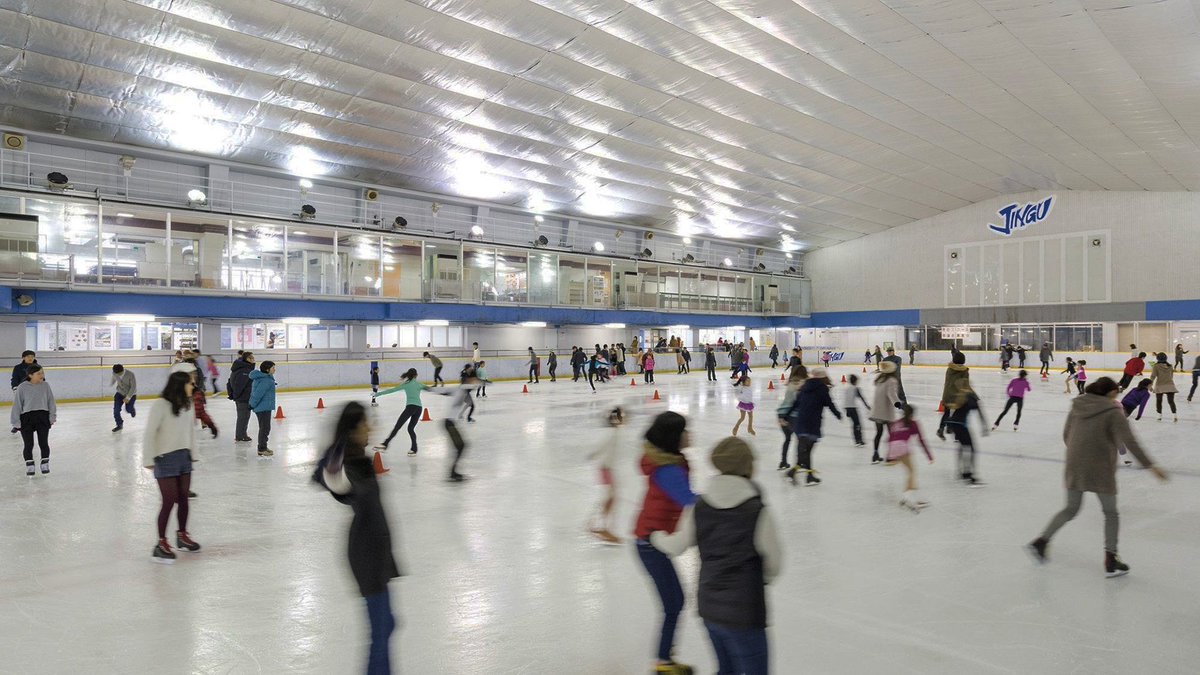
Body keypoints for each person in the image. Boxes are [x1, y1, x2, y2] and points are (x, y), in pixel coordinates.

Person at [651, 437, 781, 675]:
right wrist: (757, 581)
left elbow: (677, 545)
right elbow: (774, 564)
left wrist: (656, 537)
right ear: (748, 466)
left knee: (726, 670)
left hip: (710, 608)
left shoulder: (699, 507)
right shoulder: (757, 512)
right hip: (745, 612)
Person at [1028, 377, 1168, 578]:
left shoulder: (1077, 405)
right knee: (1110, 513)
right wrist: (1150, 466)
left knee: (1070, 509)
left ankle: (1041, 542)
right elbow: (1130, 441)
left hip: (1075, 465)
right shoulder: (1114, 411)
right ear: (1111, 393)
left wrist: (1079, 453)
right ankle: (1111, 557)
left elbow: (1067, 435)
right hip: (1101, 467)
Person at [314, 402, 402, 674]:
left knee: (386, 623)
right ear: (352, 429)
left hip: (377, 549)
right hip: (366, 554)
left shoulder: (361, 460)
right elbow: (333, 481)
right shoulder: (347, 466)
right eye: (365, 424)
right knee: (381, 628)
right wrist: (335, 451)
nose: (371, 428)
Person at [633, 411, 696, 674]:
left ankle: (664, 659)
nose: (689, 435)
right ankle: (663, 663)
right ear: (674, 437)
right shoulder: (668, 470)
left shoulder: (669, 462)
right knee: (674, 603)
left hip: (652, 539)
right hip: (651, 543)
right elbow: (690, 501)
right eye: (684, 431)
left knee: (675, 602)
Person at [142, 371, 201, 563]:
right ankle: (160, 543)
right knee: (169, 500)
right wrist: (148, 459)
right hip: (164, 458)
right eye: (190, 384)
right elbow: (149, 433)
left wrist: (193, 454)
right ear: (180, 385)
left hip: (184, 457)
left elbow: (190, 431)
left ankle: (182, 535)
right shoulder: (160, 405)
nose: (193, 387)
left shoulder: (188, 404)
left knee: (183, 498)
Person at [784, 367, 842, 486]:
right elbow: (829, 404)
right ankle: (806, 475)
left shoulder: (804, 387)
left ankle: (798, 472)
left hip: (801, 423)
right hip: (812, 424)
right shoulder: (822, 388)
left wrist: (786, 415)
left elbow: (796, 403)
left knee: (806, 451)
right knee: (808, 451)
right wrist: (838, 414)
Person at [376, 368, 438, 455]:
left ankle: (385, 444)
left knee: (398, 426)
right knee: (410, 429)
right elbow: (432, 390)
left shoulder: (406, 384)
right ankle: (414, 449)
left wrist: (378, 394)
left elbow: (392, 390)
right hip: (419, 408)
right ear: (416, 375)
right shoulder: (419, 384)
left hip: (410, 407)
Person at [587, 407, 625, 544]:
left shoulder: (613, 432)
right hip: (605, 468)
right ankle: (600, 525)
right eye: (622, 417)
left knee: (612, 497)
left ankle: (600, 525)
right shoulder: (611, 433)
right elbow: (600, 447)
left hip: (607, 468)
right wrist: (595, 455)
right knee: (611, 498)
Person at [886, 404, 933, 511]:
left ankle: (913, 496)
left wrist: (889, 456)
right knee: (911, 471)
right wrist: (929, 456)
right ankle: (908, 498)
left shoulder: (896, 423)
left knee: (911, 471)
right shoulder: (913, 423)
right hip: (903, 448)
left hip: (893, 449)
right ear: (913, 414)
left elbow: (890, 438)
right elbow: (921, 440)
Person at [11, 364, 55, 476]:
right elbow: (17, 405)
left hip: (42, 417)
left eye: (42, 373)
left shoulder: (45, 385)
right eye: (38, 373)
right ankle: (30, 465)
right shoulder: (22, 387)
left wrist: (52, 416)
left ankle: (45, 463)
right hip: (27, 418)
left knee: (43, 442)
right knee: (28, 444)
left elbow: (51, 402)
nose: (42, 375)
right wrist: (16, 421)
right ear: (30, 375)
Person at [945, 379, 987, 486]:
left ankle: (960, 471)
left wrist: (948, 425)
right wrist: (984, 425)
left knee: (962, 446)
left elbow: (950, 408)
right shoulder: (970, 396)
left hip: (954, 424)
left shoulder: (959, 394)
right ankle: (968, 474)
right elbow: (979, 411)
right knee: (971, 448)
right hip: (961, 425)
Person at [869, 362, 902, 464]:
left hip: (877, 410)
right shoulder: (891, 380)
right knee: (892, 434)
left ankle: (875, 454)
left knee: (878, 433)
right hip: (886, 411)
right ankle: (891, 456)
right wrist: (897, 403)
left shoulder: (879, 378)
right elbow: (891, 393)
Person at [776, 367, 807, 470]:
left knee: (788, 439)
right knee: (800, 440)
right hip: (792, 416)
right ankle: (800, 463)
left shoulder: (791, 382)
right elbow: (796, 402)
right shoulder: (800, 384)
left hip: (782, 414)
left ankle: (783, 462)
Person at [936, 351, 970, 440]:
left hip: (947, 394)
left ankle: (941, 428)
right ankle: (952, 428)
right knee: (958, 412)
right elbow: (965, 384)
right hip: (957, 395)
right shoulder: (965, 371)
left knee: (947, 412)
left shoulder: (949, 369)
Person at [248, 361, 277, 458]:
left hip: (264, 407)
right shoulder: (266, 380)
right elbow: (258, 394)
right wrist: (252, 404)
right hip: (263, 408)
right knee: (264, 428)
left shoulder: (266, 378)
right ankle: (261, 448)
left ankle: (263, 446)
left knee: (265, 428)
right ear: (267, 369)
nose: (274, 369)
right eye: (273, 368)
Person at [227, 351, 256, 443]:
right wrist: (237, 395)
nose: (254, 360)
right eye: (252, 358)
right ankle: (240, 435)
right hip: (243, 398)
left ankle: (242, 434)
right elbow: (239, 385)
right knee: (243, 417)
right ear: (248, 359)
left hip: (243, 397)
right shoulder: (244, 370)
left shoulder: (242, 369)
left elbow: (230, 383)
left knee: (244, 417)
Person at [842, 373, 870, 448]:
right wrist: (868, 407)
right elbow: (862, 398)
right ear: (855, 381)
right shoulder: (855, 388)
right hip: (852, 408)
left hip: (847, 408)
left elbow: (846, 399)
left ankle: (858, 440)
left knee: (855, 424)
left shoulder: (847, 388)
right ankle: (858, 440)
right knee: (857, 424)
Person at [1149, 352, 1178, 422]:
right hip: (1170, 386)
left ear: (1157, 358)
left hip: (1160, 386)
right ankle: (1175, 415)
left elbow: (1153, 376)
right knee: (1171, 401)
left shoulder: (1156, 366)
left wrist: (1150, 386)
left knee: (1159, 401)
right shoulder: (1170, 366)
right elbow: (1171, 376)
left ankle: (1159, 416)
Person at [110, 364, 137, 432]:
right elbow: (114, 377)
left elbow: (133, 387)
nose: (117, 375)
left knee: (128, 409)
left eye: (119, 374)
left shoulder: (130, 374)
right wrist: (111, 383)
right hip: (120, 393)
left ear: (122, 371)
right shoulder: (115, 373)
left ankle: (131, 410)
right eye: (116, 374)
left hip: (131, 394)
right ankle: (119, 424)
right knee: (116, 410)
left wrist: (128, 398)